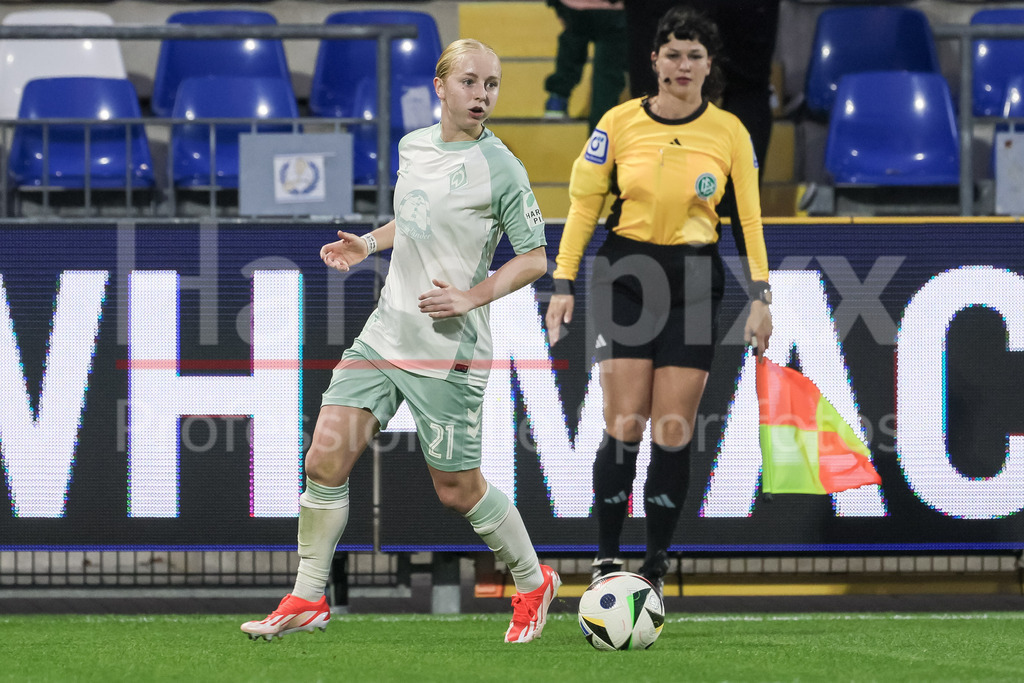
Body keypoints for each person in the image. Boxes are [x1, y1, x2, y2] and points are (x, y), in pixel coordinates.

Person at [242, 38, 560, 643]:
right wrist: (369, 242)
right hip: (387, 334)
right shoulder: (413, 147)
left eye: (491, 85)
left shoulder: (502, 167)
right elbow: (414, 219)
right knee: (324, 457)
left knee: (456, 489)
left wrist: (471, 296)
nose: (482, 95)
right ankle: (308, 597)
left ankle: (530, 579)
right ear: (440, 87)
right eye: (470, 82)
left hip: (450, 350)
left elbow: (536, 259)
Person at [544, 7, 772, 594]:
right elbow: (584, 206)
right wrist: (562, 281)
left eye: (694, 56)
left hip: (695, 279)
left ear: (708, 65)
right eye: (672, 54)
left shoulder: (729, 132)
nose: (682, 65)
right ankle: (604, 557)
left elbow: (747, 219)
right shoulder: (618, 123)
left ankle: (655, 561)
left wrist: (761, 295)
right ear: (654, 61)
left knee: (673, 425)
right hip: (629, 273)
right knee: (625, 421)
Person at [542, 0, 627, 132]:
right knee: (607, 75)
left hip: (574, 6)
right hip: (614, 10)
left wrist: (556, 5)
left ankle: (557, 98)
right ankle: (600, 130)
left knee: (571, 48)